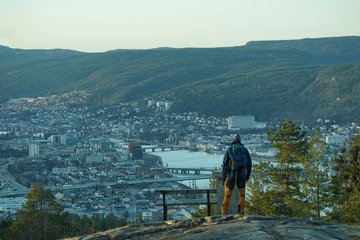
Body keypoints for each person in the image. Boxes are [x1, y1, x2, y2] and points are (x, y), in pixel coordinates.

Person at [221, 134, 252, 214]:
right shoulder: (244, 150)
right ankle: (241, 209)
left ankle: (224, 210)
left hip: (230, 175)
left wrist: (223, 175)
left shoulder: (229, 150)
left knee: (227, 194)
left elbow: (224, 163)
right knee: (242, 194)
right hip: (241, 175)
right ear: (240, 141)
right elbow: (249, 163)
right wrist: (248, 174)